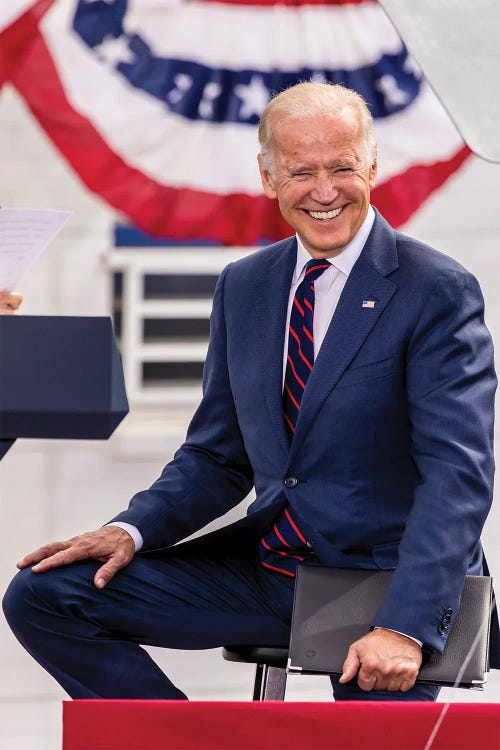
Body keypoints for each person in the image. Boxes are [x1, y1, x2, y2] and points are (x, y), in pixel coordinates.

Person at [3, 82, 498, 702]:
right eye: (301, 172)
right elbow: (217, 457)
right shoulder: (245, 286)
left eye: (343, 167)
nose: (324, 191)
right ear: (268, 178)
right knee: (47, 595)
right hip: (274, 573)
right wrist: (129, 530)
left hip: (383, 588)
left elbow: (458, 474)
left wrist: (404, 625)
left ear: (372, 166)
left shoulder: (436, 290)